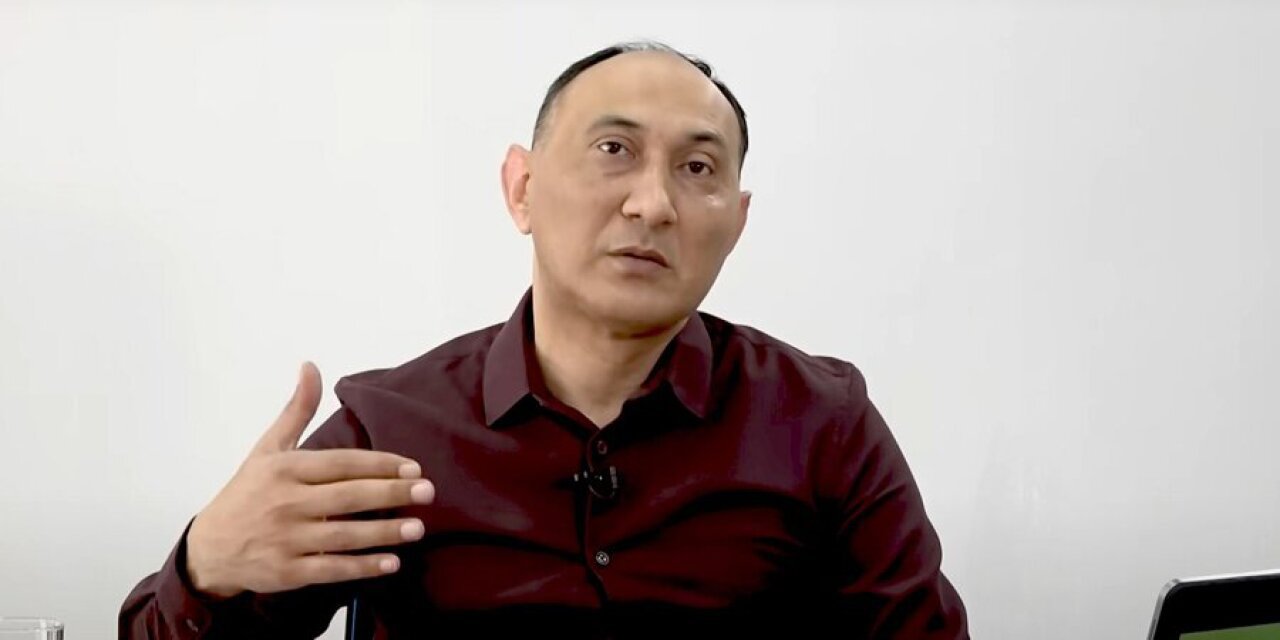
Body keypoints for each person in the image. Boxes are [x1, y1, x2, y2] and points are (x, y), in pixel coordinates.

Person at [120, 41, 969, 639]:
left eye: (697, 168)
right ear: (521, 189)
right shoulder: (392, 430)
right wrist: (205, 565)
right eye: (614, 149)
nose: (653, 204)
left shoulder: (820, 423)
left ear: (737, 223)